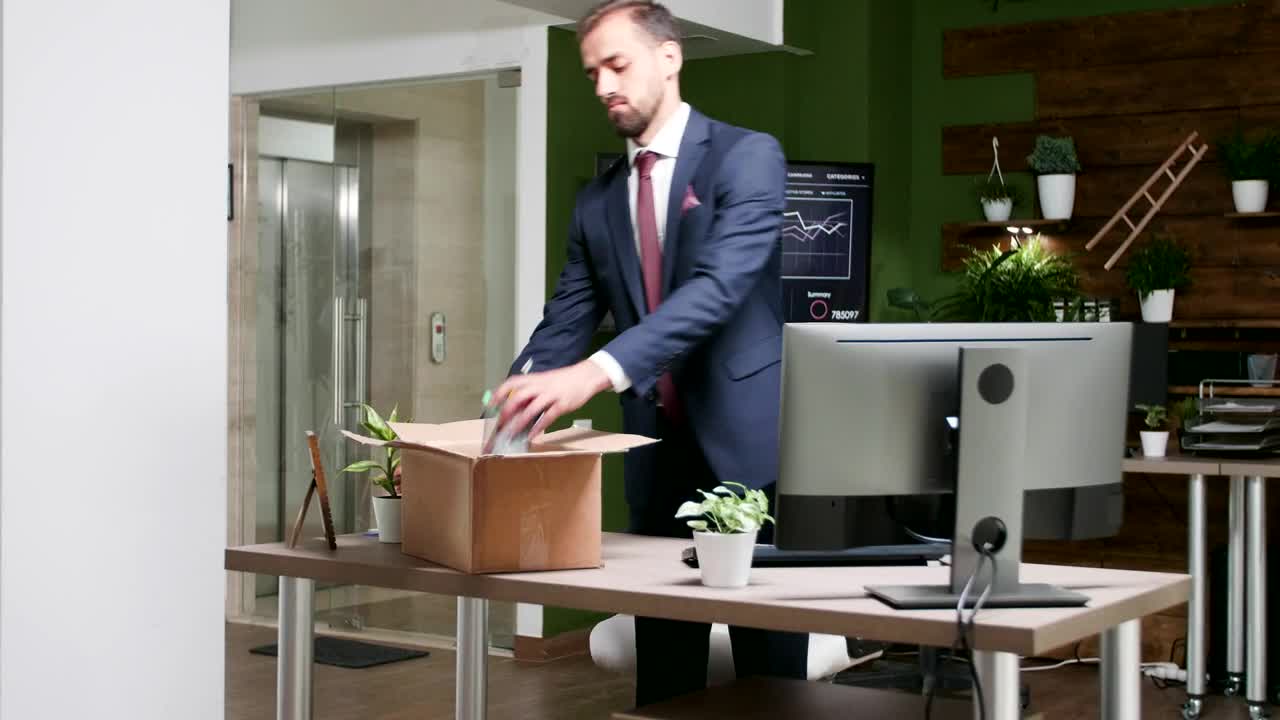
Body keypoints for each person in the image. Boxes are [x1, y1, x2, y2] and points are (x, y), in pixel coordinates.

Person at [488, 0, 808, 707]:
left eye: (617, 64)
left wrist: (595, 374)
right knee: (665, 677)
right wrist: (513, 404)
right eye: (592, 72)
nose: (603, 85)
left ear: (670, 58)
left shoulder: (747, 156)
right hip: (655, 460)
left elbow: (718, 288)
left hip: (751, 456)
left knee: (773, 683)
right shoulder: (597, 201)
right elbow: (565, 322)